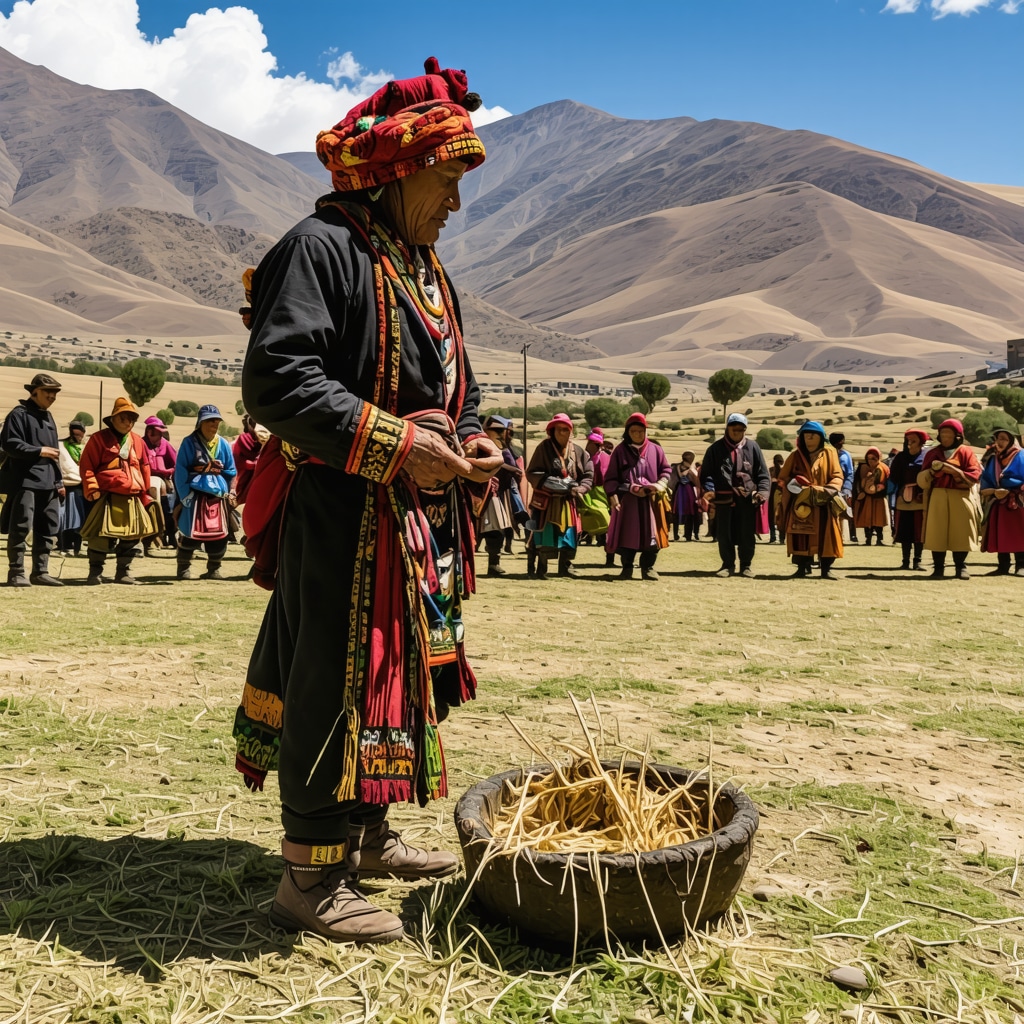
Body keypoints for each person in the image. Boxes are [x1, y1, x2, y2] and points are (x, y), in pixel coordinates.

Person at [233, 59, 502, 944]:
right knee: (335, 679)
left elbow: (446, 385)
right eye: (447, 179)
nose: (456, 204)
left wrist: (469, 437)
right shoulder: (324, 250)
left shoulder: (419, 265)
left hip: (409, 525)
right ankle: (309, 877)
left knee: (395, 678)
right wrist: (397, 445)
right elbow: (278, 381)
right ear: (393, 172)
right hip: (339, 517)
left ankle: (367, 834)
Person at [79, 397, 154, 585]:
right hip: (106, 496)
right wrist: (92, 488)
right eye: (123, 418)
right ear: (113, 418)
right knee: (100, 537)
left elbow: (145, 467)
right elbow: (87, 466)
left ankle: (123, 572)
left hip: (132, 496)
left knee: (132, 536)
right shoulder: (98, 439)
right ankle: (94, 573)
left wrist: (145, 493)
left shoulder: (137, 441)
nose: (128, 422)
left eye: (131, 419)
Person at [0, 373, 65, 586]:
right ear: (34, 391)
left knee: (48, 527)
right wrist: (39, 451)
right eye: (48, 392)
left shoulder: (48, 416)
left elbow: (54, 453)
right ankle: (16, 572)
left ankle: (40, 572)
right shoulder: (18, 415)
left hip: (49, 481)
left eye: (55, 392)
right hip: (25, 481)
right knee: (21, 527)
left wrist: (59, 482)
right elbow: (10, 444)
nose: (53, 396)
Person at [700, 414, 770, 578]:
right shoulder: (715, 449)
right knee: (725, 534)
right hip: (723, 499)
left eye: (741, 429)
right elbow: (707, 474)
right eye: (734, 428)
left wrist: (762, 492)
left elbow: (763, 474)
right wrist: (710, 490)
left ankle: (746, 566)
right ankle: (727, 565)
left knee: (747, 533)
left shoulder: (753, 447)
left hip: (747, 499)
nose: (737, 432)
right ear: (727, 428)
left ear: (745, 429)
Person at [526, 413, 594, 579]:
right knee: (545, 534)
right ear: (552, 431)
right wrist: (555, 483)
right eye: (559, 430)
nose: (562, 433)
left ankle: (565, 567)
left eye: (566, 429)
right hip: (548, 502)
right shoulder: (543, 448)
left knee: (570, 536)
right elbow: (533, 472)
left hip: (569, 502)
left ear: (571, 431)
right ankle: (541, 568)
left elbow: (588, 474)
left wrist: (581, 488)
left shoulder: (578, 451)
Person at [604, 413, 671, 580]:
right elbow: (610, 478)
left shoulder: (656, 449)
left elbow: (666, 470)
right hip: (628, 501)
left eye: (641, 431)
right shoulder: (620, 451)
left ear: (646, 431)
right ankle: (626, 568)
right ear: (628, 432)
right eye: (634, 431)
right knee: (628, 535)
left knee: (652, 535)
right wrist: (615, 493)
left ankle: (648, 568)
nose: (638, 434)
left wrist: (659, 484)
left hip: (652, 500)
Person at [174, 405, 238, 580]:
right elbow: (180, 471)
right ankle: (183, 569)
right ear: (200, 422)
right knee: (189, 534)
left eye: (216, 420)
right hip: (194, 496)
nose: (214, 424)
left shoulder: (223, 444)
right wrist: (185, 496)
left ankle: (214, 569)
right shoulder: (189, 443)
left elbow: (231, 471)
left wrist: (231, 491)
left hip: (217, 498)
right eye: (210, 420)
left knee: (219, 536)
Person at [777, 421, 845, 579]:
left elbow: (837, 476)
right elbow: (783, 478)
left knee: (827, 536)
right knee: (801, 536)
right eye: (806, 434)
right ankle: (802, 567)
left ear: (821, 437)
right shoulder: (795, 456)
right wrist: (792, 485)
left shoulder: (830, 453)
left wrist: (827, 491)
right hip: (801, 504)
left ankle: (826, 569)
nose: (809, 436)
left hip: (824, 502)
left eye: (813, 434)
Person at [919, 418, 981, 580]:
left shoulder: (966, 452)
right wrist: (932, 472)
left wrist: (954, 471)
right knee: (937, 532)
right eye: (943, 434)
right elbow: (922, 479)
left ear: (958, 436)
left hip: (960, 496)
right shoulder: (932, 453)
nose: (945, 438)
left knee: (961, 532)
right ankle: (938, 568)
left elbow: (975, 474)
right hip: (938, 496)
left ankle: (961, 567)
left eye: (949, 435)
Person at [472, 415, 524, 576]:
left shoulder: (501, 446)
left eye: (502, 430)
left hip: (494, 493)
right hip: (476, 492)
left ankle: (493, 564)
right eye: (497, 430)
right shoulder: (477, 444)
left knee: (497, 531)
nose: (500, 433)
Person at [979, 427, 1024, 575]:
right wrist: (992, 491)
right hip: (998, 500)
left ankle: (1021, 565)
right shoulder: (993, 458)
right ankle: (1003, 565)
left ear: (1011, 441)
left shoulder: (1021, 455)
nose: (1000, 442)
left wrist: (1013, 490)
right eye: (998, 438)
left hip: (1017, 500)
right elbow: (986, 478)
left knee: (1019, 532)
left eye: (1004, 439)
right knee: (1000, 532)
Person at [888, 429, 929, 570]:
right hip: (903, 498)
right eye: (908, 441)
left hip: (921, 497)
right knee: (905, 531)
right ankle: (905, 561)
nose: (910, 444)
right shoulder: (900, 457)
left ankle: (917, 561)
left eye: (913, 441)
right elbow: (893, 477)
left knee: (919, 531)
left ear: (921, 442)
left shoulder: (927, 456)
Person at [141, 415, 177, 551]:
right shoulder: (140, 444)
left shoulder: (165, 444)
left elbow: (176, 464)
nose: (160, 437)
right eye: (158, 434)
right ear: (149, 432)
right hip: (146, 484)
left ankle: (171, 536)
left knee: (169, 510)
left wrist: (168, 472)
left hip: (165, 483)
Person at [579, 428, 612, 560]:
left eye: (589, 443)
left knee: (609, 525)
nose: (587, 446)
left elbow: (605, 477)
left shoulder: (604, 458)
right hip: (588, 493)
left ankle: (610, 556)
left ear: (595, 444)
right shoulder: (585, 457)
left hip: (603, 494)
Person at [56, 420, 87, 556]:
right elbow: (57, 465)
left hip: (83, 486)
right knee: (66, 518)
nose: (77, 437)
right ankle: (65, 545)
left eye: (80, 434)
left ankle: (77, 547)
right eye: (74, 433)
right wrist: (59, 484)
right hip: (66, 486)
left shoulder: (86, 447)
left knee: (80, 518)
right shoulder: (61, 446)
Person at [853, 447, 890, 545]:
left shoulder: (883, 468)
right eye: (869, 458)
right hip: (867, 498)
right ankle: (868, 539)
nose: (870, 461)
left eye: (873, 458)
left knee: (879, 519)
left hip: (878, 498)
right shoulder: (864, 468)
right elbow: (858, 482)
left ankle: (879, 539)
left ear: (878, 458)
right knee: (867, 519)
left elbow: (885, 482)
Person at [829, 432, 857, 543]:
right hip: (829, 487)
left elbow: (850, 473)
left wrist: (847, 489)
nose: (842, 443)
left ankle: (842, 538)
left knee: (843, 513)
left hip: (844, 487)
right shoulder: (827, 454)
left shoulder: (846, 455)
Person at [668, 450, 701, 542]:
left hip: (678, 492)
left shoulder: (675, 467)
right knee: (690, 513)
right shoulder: (691, 470)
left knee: (676, 513)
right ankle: (688, 535)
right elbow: (697, 483)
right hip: (689, 493)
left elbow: (671, 482)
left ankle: (675, 535)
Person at [768, 453, 785, 544]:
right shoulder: (784, 471)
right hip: (782, 495)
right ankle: (782, 538)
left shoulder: (771, 470)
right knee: (782, 517)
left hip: (772, 495)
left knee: (771, 517)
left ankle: (772, 537)